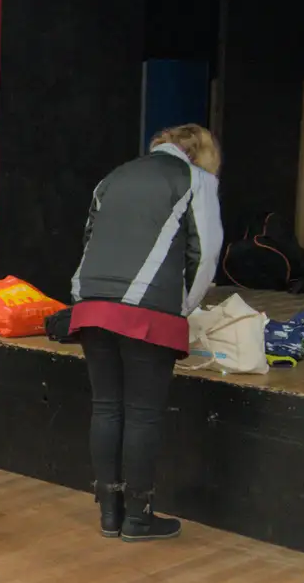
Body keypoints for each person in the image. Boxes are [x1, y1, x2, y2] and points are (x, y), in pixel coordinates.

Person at [68, 123, 224, 542]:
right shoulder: (197, 180)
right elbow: (206, 255)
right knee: (141, 413)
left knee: (106, 407)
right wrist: (182, 307)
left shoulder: (113, 177)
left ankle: (109, 515)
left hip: (90, 302)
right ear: (201, 153)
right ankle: (138, 517)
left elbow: (88, 237)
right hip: (148, 310)